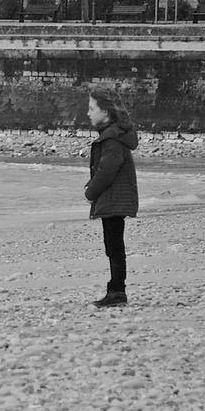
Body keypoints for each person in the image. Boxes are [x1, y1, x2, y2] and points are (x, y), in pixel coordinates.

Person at [85, 92, 139, 307]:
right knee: (113, 244)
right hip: (116, 197)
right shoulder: (114, 136)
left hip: (115, 199)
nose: (88, 113)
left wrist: (90, 193)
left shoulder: (112, 139)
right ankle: (116, 289)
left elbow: (107, 169)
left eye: (92, 108)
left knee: (114, 245)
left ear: (105, 112)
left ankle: (117, 291)